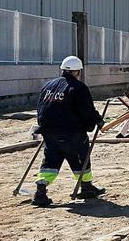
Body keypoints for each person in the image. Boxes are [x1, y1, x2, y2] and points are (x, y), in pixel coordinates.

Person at [33, 56, 105, 207]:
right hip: (72, 133)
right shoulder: (79, 88)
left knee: (51, 160)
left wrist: (45, 128)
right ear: (78, 71)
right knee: (80, 157)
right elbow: (87, 110)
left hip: (49, 132)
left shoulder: (48, 86)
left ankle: (41, 190)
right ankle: (86, 186)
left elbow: (40, 108)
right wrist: (97, 121)